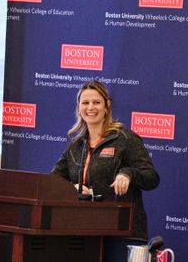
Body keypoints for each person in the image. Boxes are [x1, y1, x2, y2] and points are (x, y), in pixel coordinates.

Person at [52, 79, 159, 240]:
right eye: (85, 102)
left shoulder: (124, 138)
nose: (90, 108)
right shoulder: (76, 146)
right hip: (85, 231)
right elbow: (52, 183)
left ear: (107, 105)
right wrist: (71, 190)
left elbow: (151, 177)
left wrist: (127, 174)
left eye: (96, 102)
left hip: (122, 232)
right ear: (79, 107)